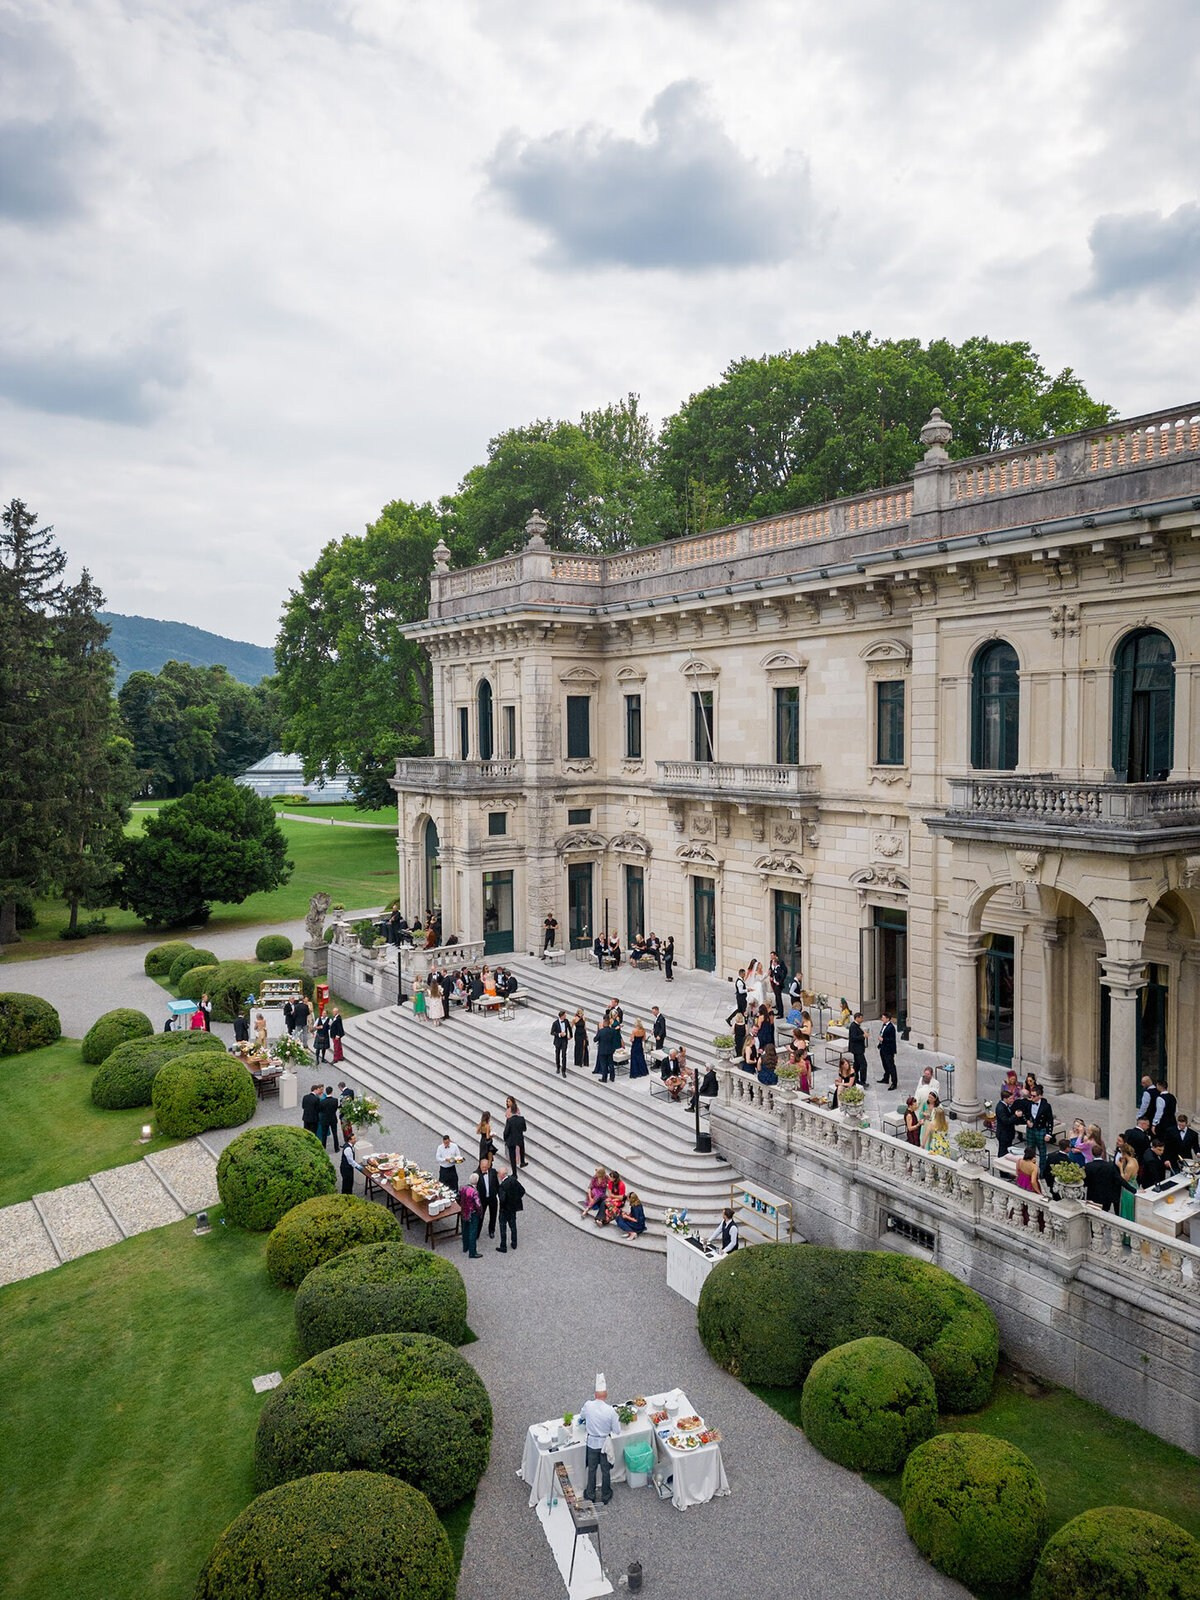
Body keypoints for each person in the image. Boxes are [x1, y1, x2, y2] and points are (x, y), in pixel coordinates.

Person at [580, 1376, 621, 1504]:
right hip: (604, 1444)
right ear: (606, 1395)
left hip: (592, 1443)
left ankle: (590, 1494)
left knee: (592, 1469)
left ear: (595, 1394)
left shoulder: (588, 1405)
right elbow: (617, 1430)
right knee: (605, 1470)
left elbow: (581, 1416)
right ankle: (605, 1494)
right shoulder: (611, 1411)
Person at [495, 1163, 524, 1252]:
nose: (498, 1175)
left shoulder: (502, 1186)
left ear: (502, 1175)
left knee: (503, 1227)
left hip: (504, 1210)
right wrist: (516, 1200)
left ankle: (503, 1246)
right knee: (513, 1226)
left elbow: (502, 1199)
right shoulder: (513, 1180)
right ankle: (514, 1243)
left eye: (499, 1173)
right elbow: (522, 1191)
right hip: (513, 1209)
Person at [473, 1153, 500, 1240]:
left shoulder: (493, 1172)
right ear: (480, 1166)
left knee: (493, 1215)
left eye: (485, 1167)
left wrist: (497, 1194)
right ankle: (477, 1232)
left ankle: (491, 1230)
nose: (484, 1169)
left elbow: (497, 1184)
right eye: (482, 1167)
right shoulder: (476, 1174)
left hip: (492, 1198)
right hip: (482, 1199)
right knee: (480, 1216)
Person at [458, 1180, 482, 1259]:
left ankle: (465, 1247)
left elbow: (457, 1197)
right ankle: (472, 1252)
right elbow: (478, 1205)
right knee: (473, 1232)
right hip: (472, 1214)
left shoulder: (463, 1188)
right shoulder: (474, 1192)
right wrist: (480, 1213)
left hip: (464, 1212)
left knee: (465, 1230)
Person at [503, 1095, 527, 1169]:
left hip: (513, 1133)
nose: (507, 1103)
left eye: (509, 1101)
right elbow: (524, 1128)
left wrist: (505, 1137)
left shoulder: (511, 1115)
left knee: (516, 1149)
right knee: (520, 1147)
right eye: (507, 1101)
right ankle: (521, 1161)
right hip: (517, 1134)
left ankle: (516, 1165)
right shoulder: (517, 1115)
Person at [593, 1016, 619, 1083]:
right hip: (610, 1050)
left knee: (604, 1064)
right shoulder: (612, 1031)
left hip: (602, 1050)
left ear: (605, 1023)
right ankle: (612, 1077)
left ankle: (604, 1078)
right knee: (611, 1063)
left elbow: (595, 1039)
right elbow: (614, 1040)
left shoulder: (601, 1031)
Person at [876, 1010, 898, 1090]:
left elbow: (891, 1039)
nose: (882, 1018)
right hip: (883, 1048)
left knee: (891, 1065)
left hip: (888, 1049)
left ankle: (894, 1082)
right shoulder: (884, 1025)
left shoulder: (891, 1027)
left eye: (883, 1017)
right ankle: (886, 1078)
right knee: (885, 1064)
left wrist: (883, 1039)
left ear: (888, 1019)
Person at [995, 1087, 1018, 1158]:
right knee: (1003, 1151)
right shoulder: (1000, 1108)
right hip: (1003, 1134)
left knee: (1008, 1150)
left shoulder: (1007, 1106)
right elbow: (1006, 1121)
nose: (1012, 1100)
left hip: (1008, 1133)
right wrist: (1015, 1116)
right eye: (1010, 1099)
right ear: (1005, 1099)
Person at [848, 1012, 869, 1086]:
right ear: (857, 1018)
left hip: (858, 1049)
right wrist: (863, 1036)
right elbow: (853, 1038)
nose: (862, 1019)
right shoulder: (853, 1026)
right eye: (861, 1018)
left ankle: (855, 1079)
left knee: (856, 1065)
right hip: (857, 1049)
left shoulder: (856, 1026)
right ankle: (862, 1081)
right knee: (863, 1065)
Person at [318, 1086, 341, 1151]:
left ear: (326, 1092)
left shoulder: (322, 1102)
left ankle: (323, 1147)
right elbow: (335, 1109)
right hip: (333, 1118)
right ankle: (336, 1148)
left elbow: (320, 1110)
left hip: (325, 1119)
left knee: (324, 1134)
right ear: (331, 1091)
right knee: (335, 1134)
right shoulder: (335, 1100)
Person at [551, 1011, 571, 1076]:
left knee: (564, 1055)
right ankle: (558, 1067)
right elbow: (552, 1032)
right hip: (558, 1041)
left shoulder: (566, 1021)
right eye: (565, 1015)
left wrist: (570, 1035)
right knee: (557, 1055)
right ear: (561, 1016)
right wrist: (559, 1034)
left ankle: (563, 1070)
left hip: (564, 1040)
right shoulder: (555, 1023)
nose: (565, 1016)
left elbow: (569, 1028)